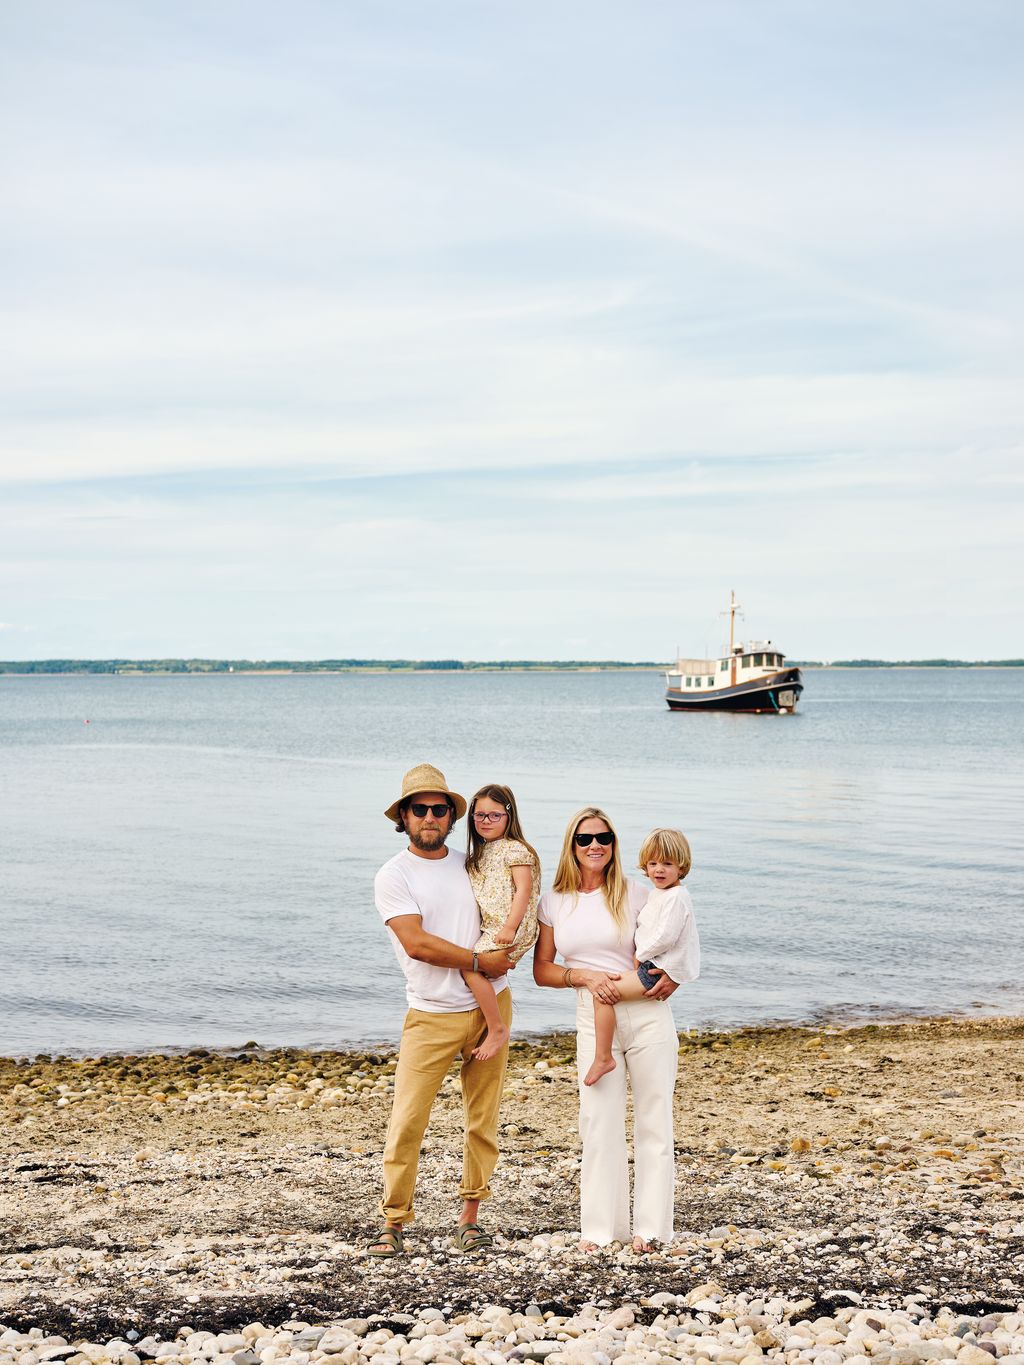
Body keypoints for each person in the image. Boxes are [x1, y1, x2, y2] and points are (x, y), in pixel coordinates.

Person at [369, 762, 516, 1260]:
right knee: (408, 1119)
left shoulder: (472, 865)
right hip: (430, 1014)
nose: (429, 816)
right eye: (419, 809)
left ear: (452, 817)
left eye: (439, 809)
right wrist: (478, 960)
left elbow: (514, 899)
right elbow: (417, 944)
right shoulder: (393, 875)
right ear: (404, 817)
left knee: (483, 1118)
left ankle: (470, 1218)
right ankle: (393, 1222)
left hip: (491, 1003)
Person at [533, 806, 680, 1252]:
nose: (594, 845)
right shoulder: (555, 900)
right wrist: (583, 976)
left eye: (603, 838)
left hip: (645, 1014)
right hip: (592, 1015)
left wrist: (674, 974)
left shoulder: (639, 894)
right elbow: (542, 970)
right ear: (572, 847)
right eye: (584, 839)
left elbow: (672, 939)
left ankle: (651, 1230)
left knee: (655, 1120)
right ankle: (600, 1230)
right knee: (598, 1122)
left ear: (614, 845)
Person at [583, 827, 699, 1087]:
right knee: (604, 988)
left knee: (603, 992)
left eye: (667, 864)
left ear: (681, 867)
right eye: (653, 863)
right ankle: (604, 1055)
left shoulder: (677, 897)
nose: (658, 870)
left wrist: (640, 954)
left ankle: (603, 1058)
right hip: (650, 965)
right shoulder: (661, 894)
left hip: (653, 968)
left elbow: (666, 936)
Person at [461, 783, 541, 1061]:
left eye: (495, 815)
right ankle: (486, 1023)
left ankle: (497, 1029)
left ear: (509, 816)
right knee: (479, 971)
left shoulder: (515, 850)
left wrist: (509, 927)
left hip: (511, 927)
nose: (486, 821)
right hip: (496, 926)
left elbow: (524, 890)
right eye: (480, 815)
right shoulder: (483, 852)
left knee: (471, 968)